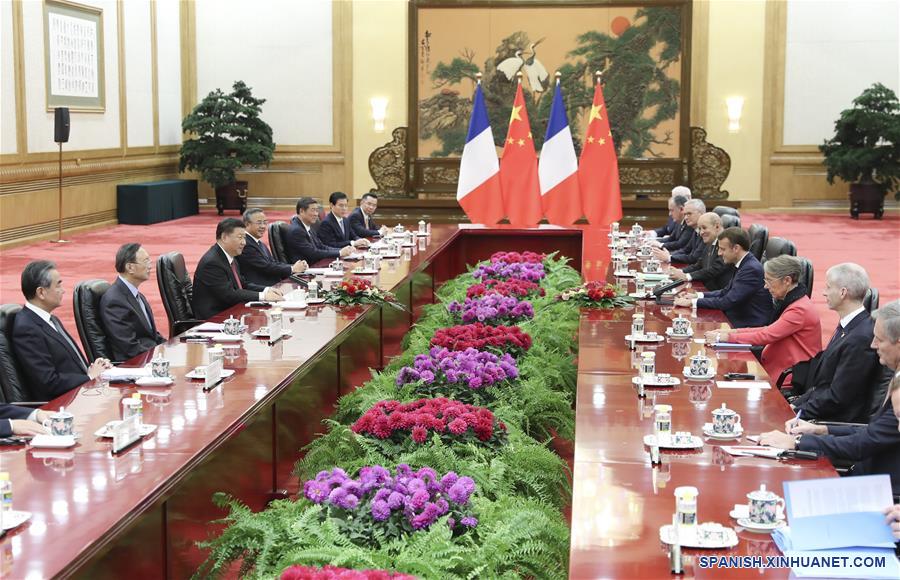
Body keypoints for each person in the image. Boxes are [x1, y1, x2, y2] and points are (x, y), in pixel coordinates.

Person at [760, 301, 900, 495]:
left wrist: (798, 442)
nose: (873, 345)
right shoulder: (897, 376)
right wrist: (819, 429)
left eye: (879, 339)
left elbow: (864, 443)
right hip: (862, 476)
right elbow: (875, 430)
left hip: (877, 491)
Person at [790, 263, 887, 424]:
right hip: (818, 411)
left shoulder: (860, 338)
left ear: (843, 292)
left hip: (834, 424)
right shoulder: (848, 326)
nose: (823, 292)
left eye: (828, 287)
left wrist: (796, 412)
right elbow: (822, 386)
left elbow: (838, 398)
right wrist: (794, 405)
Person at [705, 256, 822, 381]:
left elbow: (766, 335)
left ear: (787, 280)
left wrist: (724, 337)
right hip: (776, 365)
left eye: (769, 281)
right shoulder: (793, 302)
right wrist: (731, 332)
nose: (765, 287)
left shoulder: (799, 309)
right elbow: (769, 329)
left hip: (790, 375)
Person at [12, 261, 112, 399]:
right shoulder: (27, 328)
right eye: (58, 284)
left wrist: (96, 368)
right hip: (61, 405)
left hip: (79, 393)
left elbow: (67, 365)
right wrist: (89, 377)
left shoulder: (50, 319)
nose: (63, 290)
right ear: (41, 292)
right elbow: (48, 382)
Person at [674, 227, 773, 328]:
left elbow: (727, 301)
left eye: (722, 249)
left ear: (736, 248)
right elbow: (725, 292)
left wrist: (692, 302)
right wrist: (697, 296)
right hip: (736, 318)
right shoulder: (744, 263)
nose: (719, 253)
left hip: (747, 324)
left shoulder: (750, 269)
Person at [192, 218, 284, 320]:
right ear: (224, 237)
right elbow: (229, 294)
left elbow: (242, 284)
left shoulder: (230, 256)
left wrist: (267, 290)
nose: (244, 242)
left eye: (244, 238)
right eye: (240, 237)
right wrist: (263, 296)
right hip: (215, 318)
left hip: (232, 312)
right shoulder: (212, 263)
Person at [99, 243, 166, 362]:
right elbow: (129, 347)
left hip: (150, 355)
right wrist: (160, 356)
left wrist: (169, 347)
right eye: (146, 261)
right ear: (130, 267)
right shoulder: (114, 301)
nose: (150, 266)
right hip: (136, 364)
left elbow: (152, 335)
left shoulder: (137, 295)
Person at [236, 208, 308, 287]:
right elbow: (266, 267)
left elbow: (272, 263)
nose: (263, 226)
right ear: (247, 224)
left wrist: (295, 266)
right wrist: (292, 268)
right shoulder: (245, 244)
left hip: (273, 283)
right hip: (261, 287)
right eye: (259, 223)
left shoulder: (258, 242)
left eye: (265, 222)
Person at [668, 212, 733, 291]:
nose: (701, 232)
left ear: (717, 226)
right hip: (707, 289)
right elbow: (699, 265)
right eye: (699, 229)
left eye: (704, 228)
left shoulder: (727, 244)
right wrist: (680, 271)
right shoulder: (711, 241)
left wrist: (687, 276)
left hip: (718, 292)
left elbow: (715, 269)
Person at [286, 197, 353, 264]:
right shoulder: (297, 230)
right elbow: (313, 253)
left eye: (317, 211)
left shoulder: (308, 226)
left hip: (315, 265)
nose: (316, 214)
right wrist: (339, 253)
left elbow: (321, 246)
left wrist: (342, 250)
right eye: (313, 210)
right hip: (305, 269)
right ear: (301, 211)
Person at [653, 199, 705, 264]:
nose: (685, 218)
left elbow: (693, 258)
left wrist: (669, 257)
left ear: (701, 213)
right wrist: (668, 255)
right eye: (685, 214)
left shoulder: (705, 233)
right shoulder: (696, 230)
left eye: (689, 214)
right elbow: (686, 250)